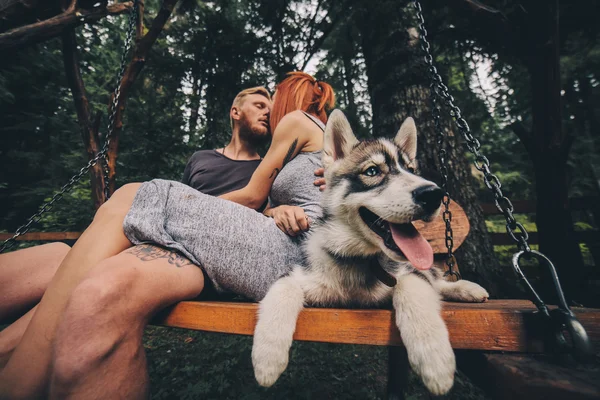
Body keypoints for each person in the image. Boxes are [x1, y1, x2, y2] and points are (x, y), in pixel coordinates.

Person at [0, 71, 334, 399]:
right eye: (259, 103)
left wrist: (167, 205)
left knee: (136, 197)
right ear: (235, 112)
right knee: (62, 259)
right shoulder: (215, 158)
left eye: (272, 101)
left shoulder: (294, 129)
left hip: (258, 254)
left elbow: (254, 198)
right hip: (211, 239)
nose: (269, 111)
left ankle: (16, 384)